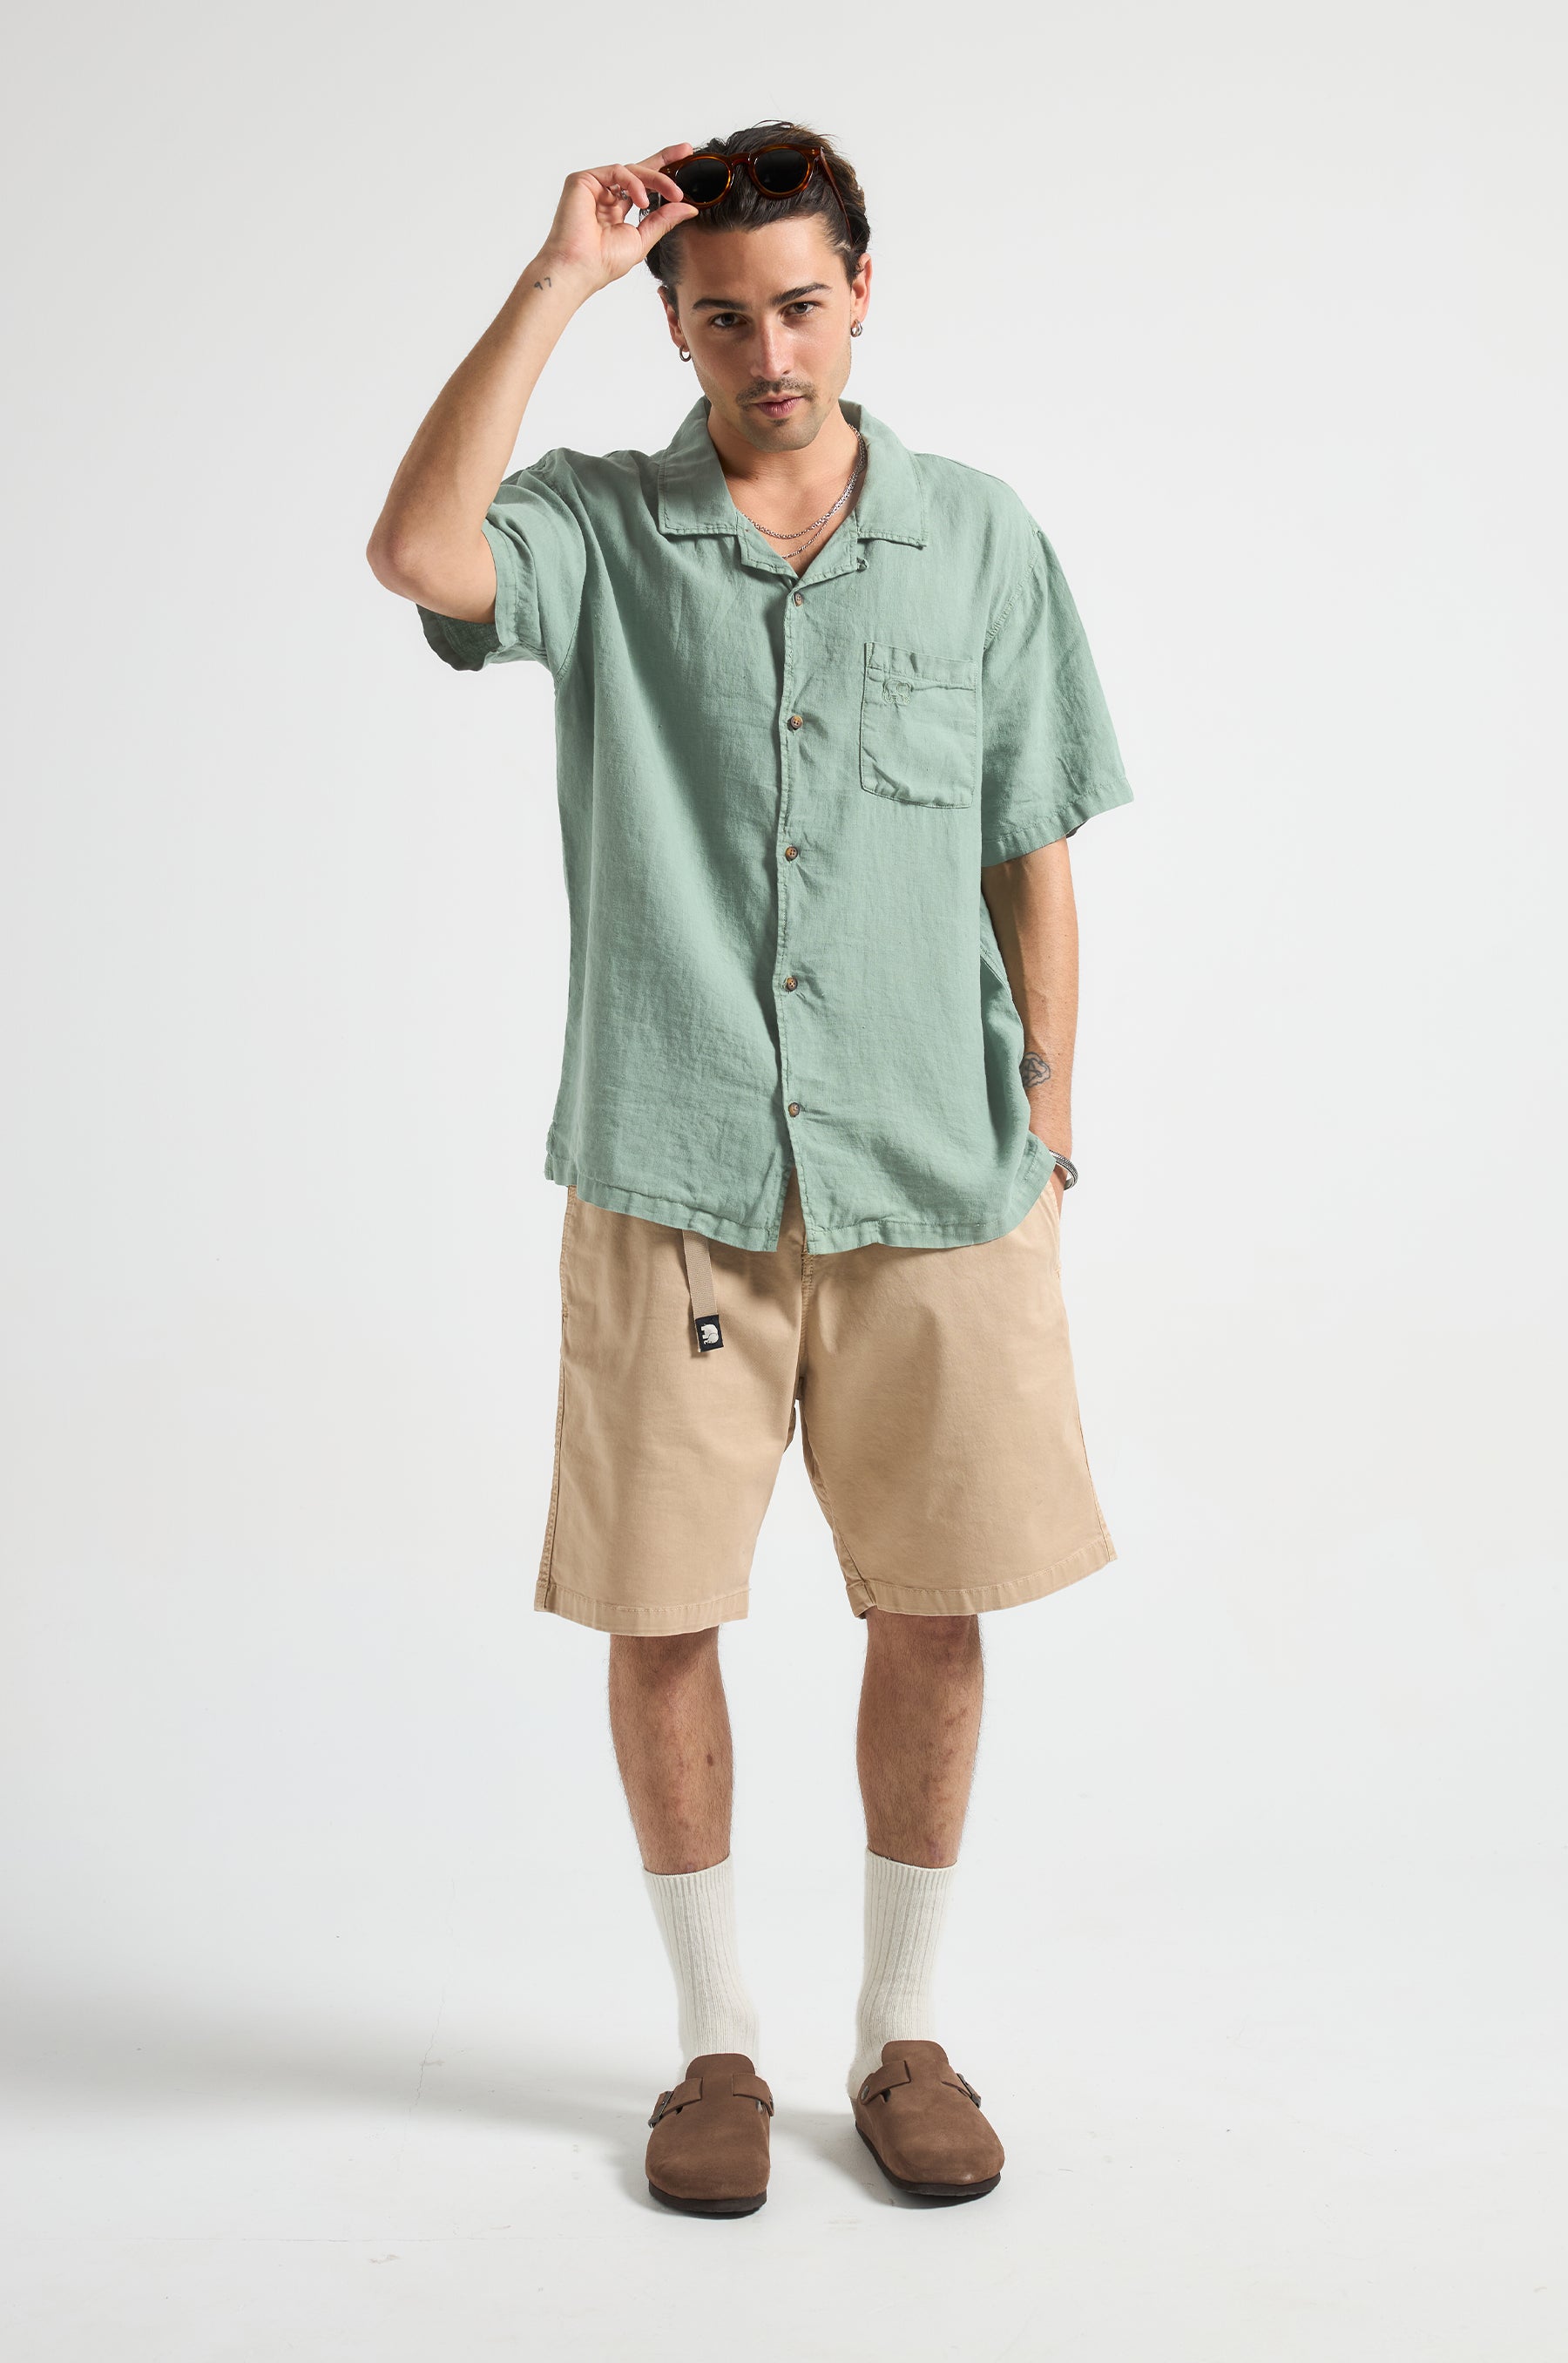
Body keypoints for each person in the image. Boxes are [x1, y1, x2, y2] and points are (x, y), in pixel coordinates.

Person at [366, 120, 1133, 2218]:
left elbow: (1033, 851)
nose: (769, 354)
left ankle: (903, 2036)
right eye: (722, 319)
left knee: (935, 1605)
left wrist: (1053, 1128)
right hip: (673, 1165)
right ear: (677, 329)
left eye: (801, 306)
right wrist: (557, 277)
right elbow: (418, 556)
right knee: (663, 1609)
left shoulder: (982, 539)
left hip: (942, 1171)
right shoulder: (600, 530)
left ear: (863, 294)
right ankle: (713, 2048)